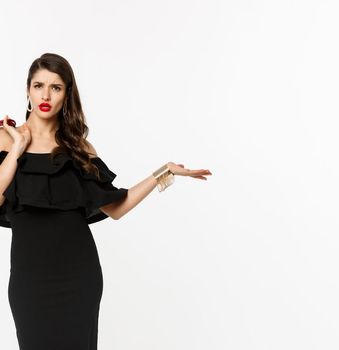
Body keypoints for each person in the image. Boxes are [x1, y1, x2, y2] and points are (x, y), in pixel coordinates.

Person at [0, 53, 212, 349]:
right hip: (30, 280)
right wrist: (17, 149)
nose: (46, 95)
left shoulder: (78, 147)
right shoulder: (6, 139)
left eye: (56, 87)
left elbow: (115, 207)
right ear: (27, 90)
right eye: (39, 86)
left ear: (67, 94)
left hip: (79, 277)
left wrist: (163, 172)